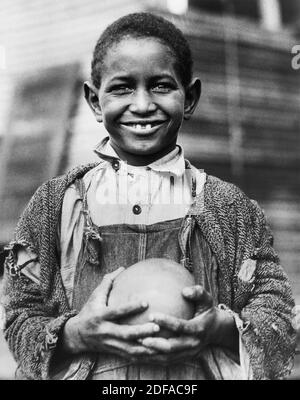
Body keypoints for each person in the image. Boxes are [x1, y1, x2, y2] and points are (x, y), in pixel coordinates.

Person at [1, 12, 296, 380]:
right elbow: (19, 316)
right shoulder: (54, 206)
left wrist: (219, 326)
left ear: (189, 98)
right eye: (122, 87)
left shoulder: (230, 208)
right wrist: (75, 334)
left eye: (160, 86)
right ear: (94, 101)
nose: (141, 105)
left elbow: (278, 315)